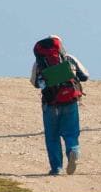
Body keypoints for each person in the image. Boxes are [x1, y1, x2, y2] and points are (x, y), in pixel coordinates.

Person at [30, 35, 89, 176]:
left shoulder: (39, 63)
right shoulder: (69, 58)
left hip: (50, 103)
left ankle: (56, 168)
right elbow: (85, 76)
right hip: (70, 100)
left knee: (52, 136)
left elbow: (35, 83)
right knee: (71, 133)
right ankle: (73, 150)